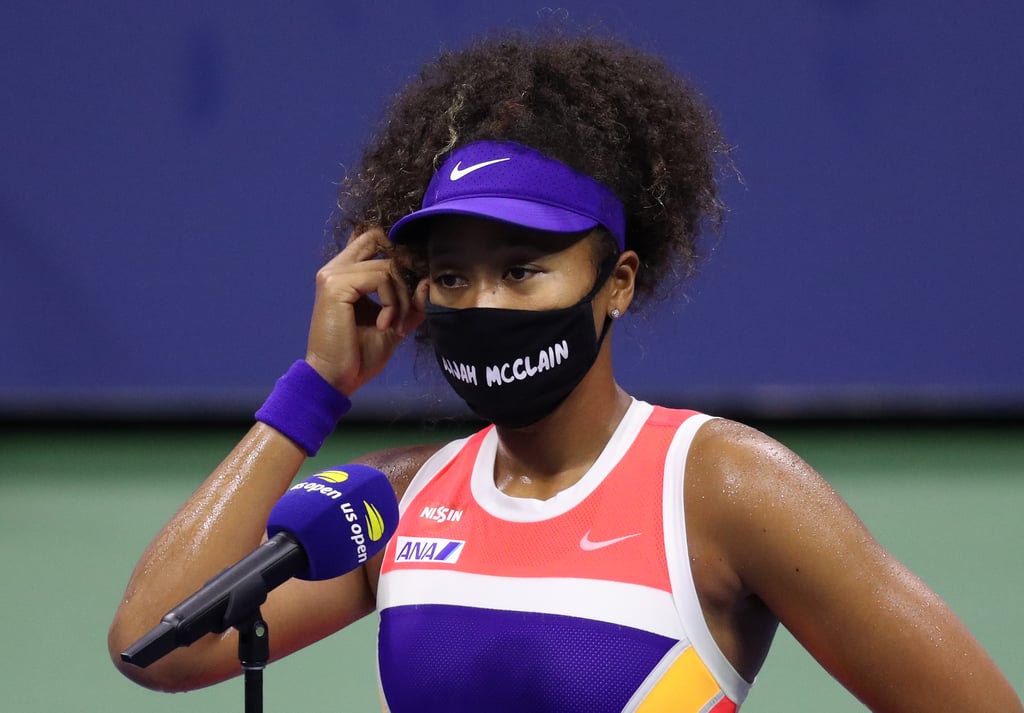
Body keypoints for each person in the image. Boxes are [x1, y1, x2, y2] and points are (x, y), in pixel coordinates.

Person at [108, 31, 1021, 712]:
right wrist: (314, 391)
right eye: (454, 274)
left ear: (615, 282)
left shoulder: (723, 488)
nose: (486, 302)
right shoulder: (400, 497)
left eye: (522, 268)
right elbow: (158, 649)